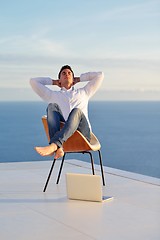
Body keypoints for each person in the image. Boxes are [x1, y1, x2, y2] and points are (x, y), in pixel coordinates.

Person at [30, 65, 104, 159]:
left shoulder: (84, 92)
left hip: (83, 135)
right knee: (51, 106)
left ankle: (54, 145)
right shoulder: (52, 95)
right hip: (66, 139)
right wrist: (53, 82)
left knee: (76, 111)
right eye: (63, 73)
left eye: (69, 73)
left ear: (73, 79)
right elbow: (33, 82)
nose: (67, 75)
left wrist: (80, 79)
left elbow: (100, 75)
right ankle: (58, 148)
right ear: (59, 80)